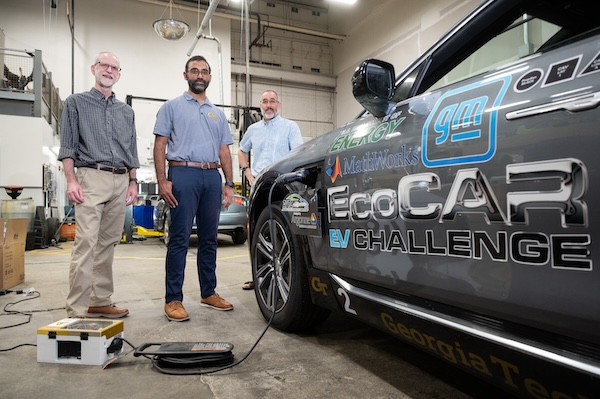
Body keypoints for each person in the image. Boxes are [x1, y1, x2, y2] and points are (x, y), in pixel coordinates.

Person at [154, 55, 236, 322]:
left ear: (210, 77)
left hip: (212, 177)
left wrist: (229, 183)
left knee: (210, 238)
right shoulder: (172, 107)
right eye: (194, 71)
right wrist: (162, 180)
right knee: (179, 238)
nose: (199, 75)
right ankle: (173, 299)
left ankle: (208, 292)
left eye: (204, 71)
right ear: (185, 75)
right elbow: (160, 144)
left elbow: (224, 150)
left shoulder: (217, 113)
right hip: (183, 173)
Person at [58, 51, 139, 318]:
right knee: (86, 244)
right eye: (105, 65)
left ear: (119, 74)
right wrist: (71, 180)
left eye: (115, 67)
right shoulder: (75, 103)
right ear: (94, 68)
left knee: (108, 243)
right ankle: (76, 310)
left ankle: (100, 300)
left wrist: (133, 182)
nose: (109, 70)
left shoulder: (126, 111)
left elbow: (132, 150)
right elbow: (68, 147)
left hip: (120, 180)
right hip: (91, 177)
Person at [238, 89, 303, 290]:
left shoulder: (290, 127)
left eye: (272, 101)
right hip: (259, 187)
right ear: (260, 105)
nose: (269, 105)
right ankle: (258, 277)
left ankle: (287, 277)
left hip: (282, 186)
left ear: (279, 104)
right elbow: (241, 150)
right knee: (257, 233)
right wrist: (247, 172)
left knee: (283, 232)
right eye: (265, 102)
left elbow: (299, 153)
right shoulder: (254, 129)